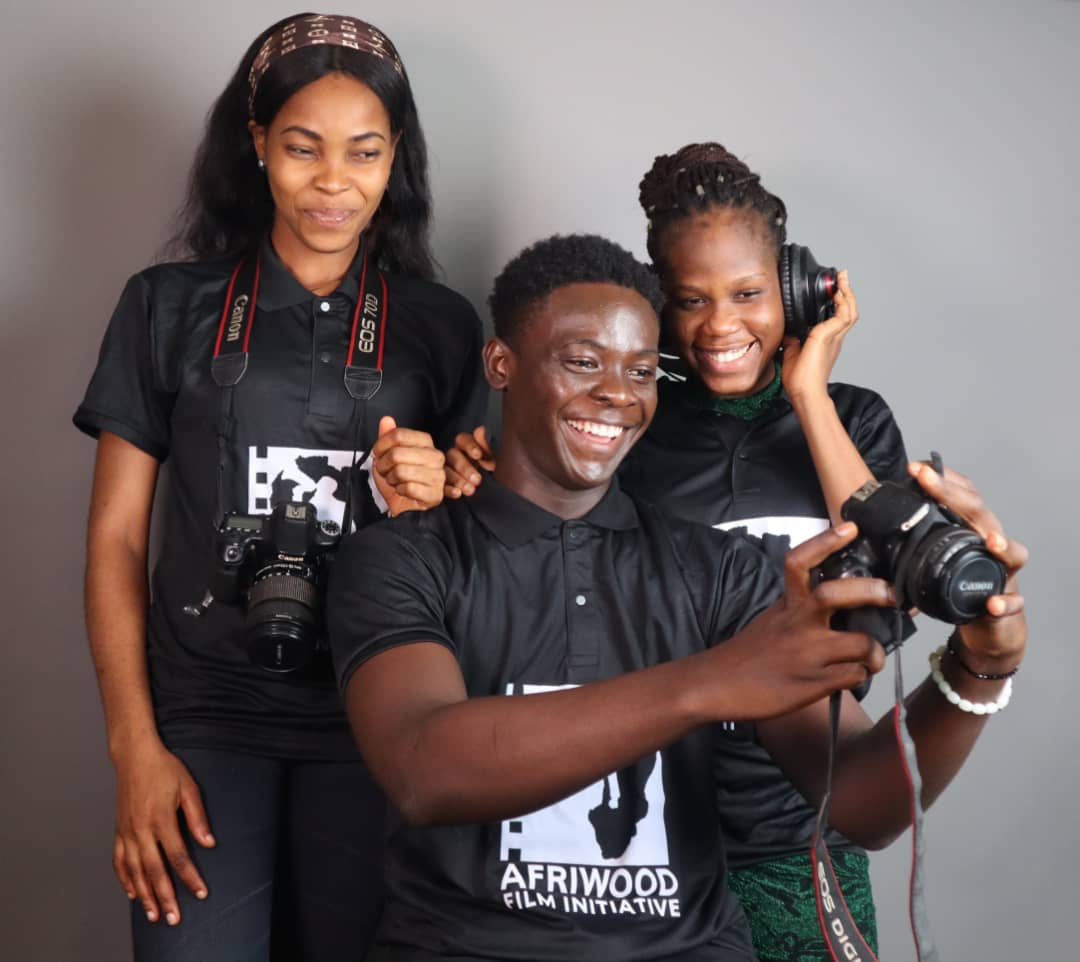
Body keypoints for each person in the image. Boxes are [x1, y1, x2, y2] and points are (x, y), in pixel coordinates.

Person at [328, 234, 1027, 962]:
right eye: (584, 362)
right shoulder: (403, 557)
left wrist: (978, 669)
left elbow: (860, 802)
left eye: (640, 370)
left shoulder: (719, 572)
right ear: (501, 364)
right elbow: (424, 769)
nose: (618, 393)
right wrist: (709, 683)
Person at [74, 13, 486, 962]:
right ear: (257, 143)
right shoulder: (165, 306)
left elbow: (481, 552)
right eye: (304, 148)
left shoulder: (441, 326)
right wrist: (134, 749)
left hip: (381, 712)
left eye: (364, 151)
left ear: (395, 157)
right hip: (205, 712)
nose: (334, 181)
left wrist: (440, 496)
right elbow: (116, 540)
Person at [444, 142, 904, 960]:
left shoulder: (854, 421)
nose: (721, 325)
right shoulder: (630, 428)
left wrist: (808, 395)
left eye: (749, 294)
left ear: (797, 288)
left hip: (802, 821)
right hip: (657, 816)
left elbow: (884, 610)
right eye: (691, 300)